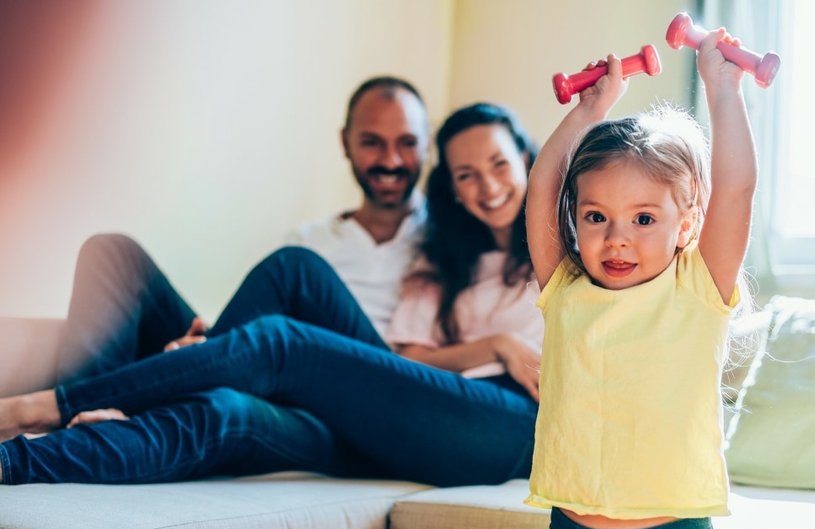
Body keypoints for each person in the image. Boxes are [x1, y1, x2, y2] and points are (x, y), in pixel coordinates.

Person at [0, 103, 543, 488]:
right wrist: (214, 350)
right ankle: (138, 391)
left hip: (441, 411)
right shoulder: (445, 259)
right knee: (290, 271)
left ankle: (42, 417)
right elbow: (408, 359)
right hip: (377, 387)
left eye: (498, 164)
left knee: (248, 381)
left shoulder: (551, 247)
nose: (487, 186)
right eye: (466, 175)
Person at [523, 29, 756, 529]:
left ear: (686, 224)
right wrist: (589, 109)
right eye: (596, 217)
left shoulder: (699, 289)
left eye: (644, 219)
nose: (616, 238)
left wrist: (722, 89)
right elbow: (543, 191)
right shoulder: (565, 289)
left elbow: (733, 191)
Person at [56, 75, 429, 388]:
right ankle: (80, 418)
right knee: (112, 253)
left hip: (361, 385)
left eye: (407, 143)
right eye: (372, 142)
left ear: (428, 144)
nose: (390, 161)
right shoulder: (309, 238)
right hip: (278, 365)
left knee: (294, 268)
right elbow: (267, 327)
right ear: (345, 141)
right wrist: (207, 345)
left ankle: (167, 378)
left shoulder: (449, 241)